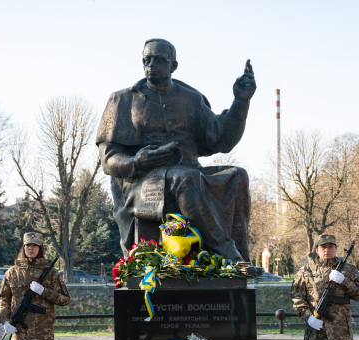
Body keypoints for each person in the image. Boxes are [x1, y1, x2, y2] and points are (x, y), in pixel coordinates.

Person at [97, 38, 255, 261]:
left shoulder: (191, 98)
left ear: (173, 66)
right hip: (142, 180)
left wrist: (241, 102)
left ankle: (241, 260)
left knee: (237, 176)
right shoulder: (123, 99)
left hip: (189, 172)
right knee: (185, 179)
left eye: (159, 60)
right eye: (147, 60)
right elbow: (109, 159)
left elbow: (220, 138)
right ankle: (226, 252)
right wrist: (137, 162)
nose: (151, 65)